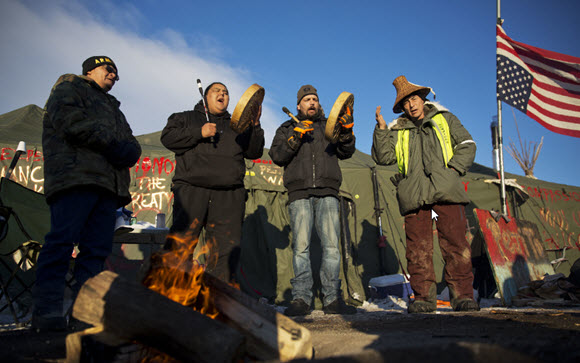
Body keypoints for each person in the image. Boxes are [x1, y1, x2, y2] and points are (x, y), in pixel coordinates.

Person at [33, 56, 141, 331]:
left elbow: (131, 142)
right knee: (61, 244)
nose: (114, 76)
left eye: (117, 73)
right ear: (90, 70)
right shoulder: (69, 87)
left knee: (95, 252)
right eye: (109, 69)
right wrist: (113, 144)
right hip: (75, 179)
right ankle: (46, 312)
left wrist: (128, 150)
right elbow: (70, 122)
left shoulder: (114, 108)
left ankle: (83, 315)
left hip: (108, 187)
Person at [372, 75, 479, 313]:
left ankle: (463, 297)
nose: (411, 105)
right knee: (418, 250)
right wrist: (381, 129)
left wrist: (452, 171)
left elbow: (467, 144)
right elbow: (383, 157)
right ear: (401, 108)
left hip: (446, 191)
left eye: (414, 99)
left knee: (456, 246)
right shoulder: (397, 129)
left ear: (422, 98)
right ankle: (423, 299)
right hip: (414, 195)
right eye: (405, 103)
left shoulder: (445, 119)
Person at [161, 82, 264, 283]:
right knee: (181, 243)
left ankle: (216, 300)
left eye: (225, 92)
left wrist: (255, 125)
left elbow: (254, 152)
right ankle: (168, 295)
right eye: (217, 91)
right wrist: (199, 132)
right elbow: (168, 138)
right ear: (205, 97)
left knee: (225, 248)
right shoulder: (185, 118)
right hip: (192, 188)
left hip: (229, 194)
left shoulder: (238, 125)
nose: (222, 94)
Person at [269, 85, 357, 316]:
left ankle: (332, 299)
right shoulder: (286, 127)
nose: (311, 103)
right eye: (307, 100)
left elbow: (347, 152)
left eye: (314, 99)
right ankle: (301, 299)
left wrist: (346, 131)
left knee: (331, 248)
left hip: (328, 190)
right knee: (301, 248)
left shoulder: (330, 126)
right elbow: (277, 156)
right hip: (299, 192)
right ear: (298, 105)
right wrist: (295, 136)